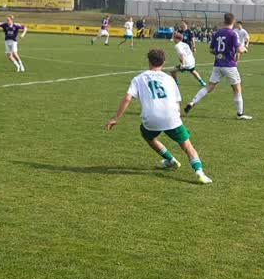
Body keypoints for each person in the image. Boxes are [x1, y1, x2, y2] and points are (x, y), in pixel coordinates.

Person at [105, 47, 212, 185]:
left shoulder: (138, 78)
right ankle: (200, 172)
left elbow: (127, 98)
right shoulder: (169, 78)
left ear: (149, 61)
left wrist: (115, 118)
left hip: (151, 119)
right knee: (187, 146)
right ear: (164, 62)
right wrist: (177, 117)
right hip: (171, 117)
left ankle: (171, 160)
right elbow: (177, 101)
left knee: (148, 136)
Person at [186, 12, 252, 120]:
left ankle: (193, 102)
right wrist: (244, 49)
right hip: (229, 65)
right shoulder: (233, 34)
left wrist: (219, 54)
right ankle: (240, 114)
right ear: (233, 21)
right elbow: (239, 49)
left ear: (224, 21)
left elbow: (211, 50)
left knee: (209, 86)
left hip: (217, 64)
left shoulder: (217, 33)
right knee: (237, 89)